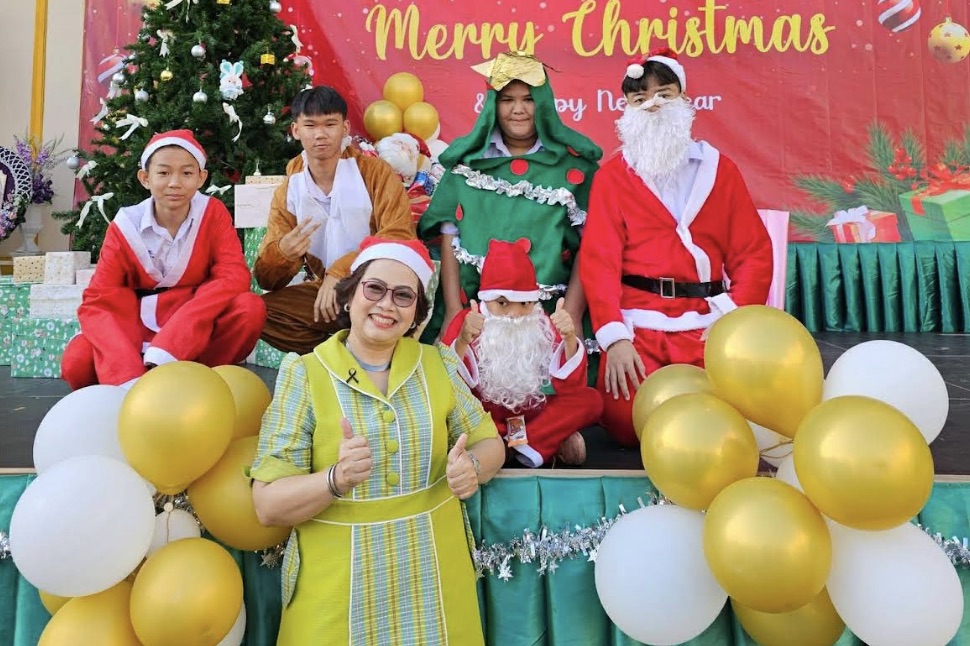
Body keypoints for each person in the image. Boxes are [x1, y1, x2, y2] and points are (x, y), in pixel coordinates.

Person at [251, 237, 505, 646]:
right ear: (349, 297)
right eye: (375, 289)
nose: (387, 304)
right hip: (336, 588)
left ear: (416, 315)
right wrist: (333, 479)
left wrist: (473, 468)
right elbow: (267, 505)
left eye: (404, 296)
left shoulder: (437, 364)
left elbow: (489, 442)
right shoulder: (305, 373)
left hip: (434, 578)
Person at [580, 49, 773, 446]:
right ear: (627, 110)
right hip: (641, 326)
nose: (652, 105)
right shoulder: (613, 178)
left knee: (727, 424)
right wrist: (614, 338)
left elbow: (753, 253)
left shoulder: (721, 170)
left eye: (663, 94)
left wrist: (731, 320)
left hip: (707, 323)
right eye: (640, 99)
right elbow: (599, 263)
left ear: (684, 99)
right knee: (625, 421)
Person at [417, 50, 602, 344]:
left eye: (528, 99)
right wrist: (453, 309)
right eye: (507, 99)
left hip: (548, 318)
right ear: (492, 105)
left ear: (543, 104)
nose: (519, 109)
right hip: (476, 315)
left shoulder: (576, 170)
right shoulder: (466, 166)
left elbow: (590, 248)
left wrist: (574, 314)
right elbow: (449, 239)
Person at [61, 129, 264, 390]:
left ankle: (195, 380)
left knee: (249, 308)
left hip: (191, 317)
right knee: (76, 364)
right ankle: (129, 389)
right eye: (164, 173)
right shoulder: (125, 226)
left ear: (201, 178)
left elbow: (233, 274)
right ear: (145, 178)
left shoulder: (212, 213)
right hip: (132, 320)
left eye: (187, 173)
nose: (175, 183)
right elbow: (99, 300)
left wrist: (180, 333)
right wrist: (127, 376)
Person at [254, 86, 415, 354]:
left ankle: (363, 354)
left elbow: (399, 236)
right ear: (296, 130)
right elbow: (267, 280)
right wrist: (283, 253)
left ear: (345, 128)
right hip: (327, 296)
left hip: (379, 290)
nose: (320, 134)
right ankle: (334, 359)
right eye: (310, 125)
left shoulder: (375, 173)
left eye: (330, 124)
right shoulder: (290, 189)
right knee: (257, 311)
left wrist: (339, 273)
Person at [441, 239, 601, 467]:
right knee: (458, 414)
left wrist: (568, 340)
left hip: (533, 415)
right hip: (487, 418)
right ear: (486, 300)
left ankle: (520, 445)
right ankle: (547, 442)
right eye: (503, 303)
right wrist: (463, 341)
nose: (515, 314)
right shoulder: (468, 320)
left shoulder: (542, 323)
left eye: (524, 303)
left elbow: (570, 386)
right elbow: (449, 382)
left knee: (591, 400)